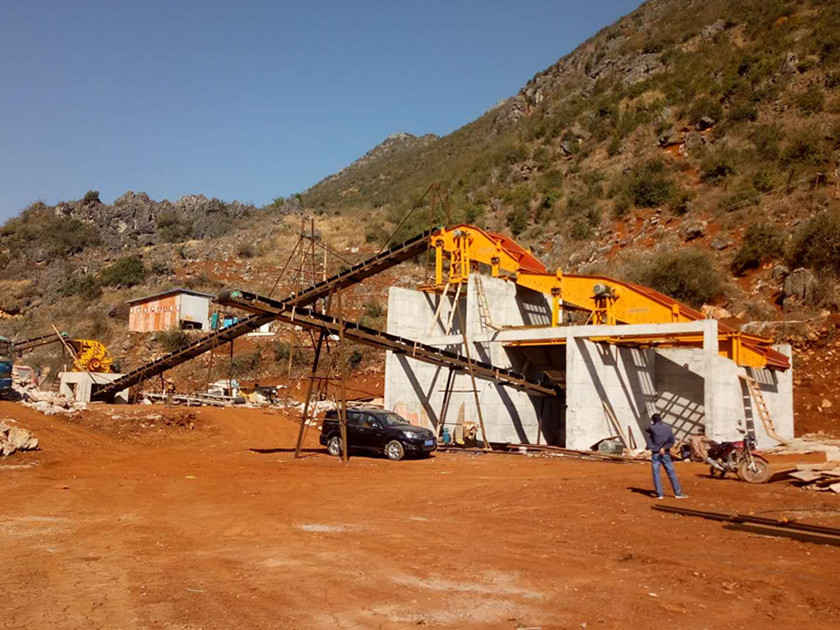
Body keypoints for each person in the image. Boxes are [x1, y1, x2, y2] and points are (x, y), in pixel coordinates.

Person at [645, 413, 688, 499]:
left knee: (656, 474)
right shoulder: (668, 428)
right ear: (661, 419)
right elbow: (672, 442)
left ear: (653, 420)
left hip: (655, 453)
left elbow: (646, 429)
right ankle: (678, 494)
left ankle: (659, 494)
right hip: (665, 453)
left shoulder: (652, 428)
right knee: (671, 473)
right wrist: (664, 448)